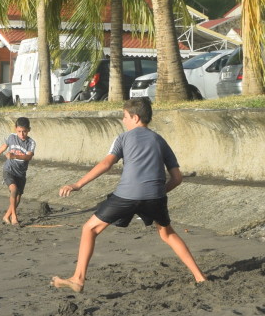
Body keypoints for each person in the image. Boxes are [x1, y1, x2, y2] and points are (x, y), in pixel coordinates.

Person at [51, 97, 206, 293]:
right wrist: (157, 192)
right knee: (167, 233)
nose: (123, 120)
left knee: (89, 229)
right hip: (155, 197)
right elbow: (177, 178)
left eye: (124, 116)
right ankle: (200, 276)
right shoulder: (160, 140)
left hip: (126, 196)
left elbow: (106, 164)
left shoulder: (123, 138)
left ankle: (78, 279)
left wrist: (78, 184)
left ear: (135, 117)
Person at [0, 117, 35, 225]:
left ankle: (6, 216)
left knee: (18, 197)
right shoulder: (11, 137)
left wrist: (14, 155)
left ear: (29, 130)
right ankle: (14, 216)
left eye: (24, 131)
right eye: (19, 131)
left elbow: (28, 157)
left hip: (21, 173)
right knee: (13, 190)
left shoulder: (31, 143)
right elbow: (4, 146)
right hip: (9, 169)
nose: (22, 134)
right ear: (15, 129)